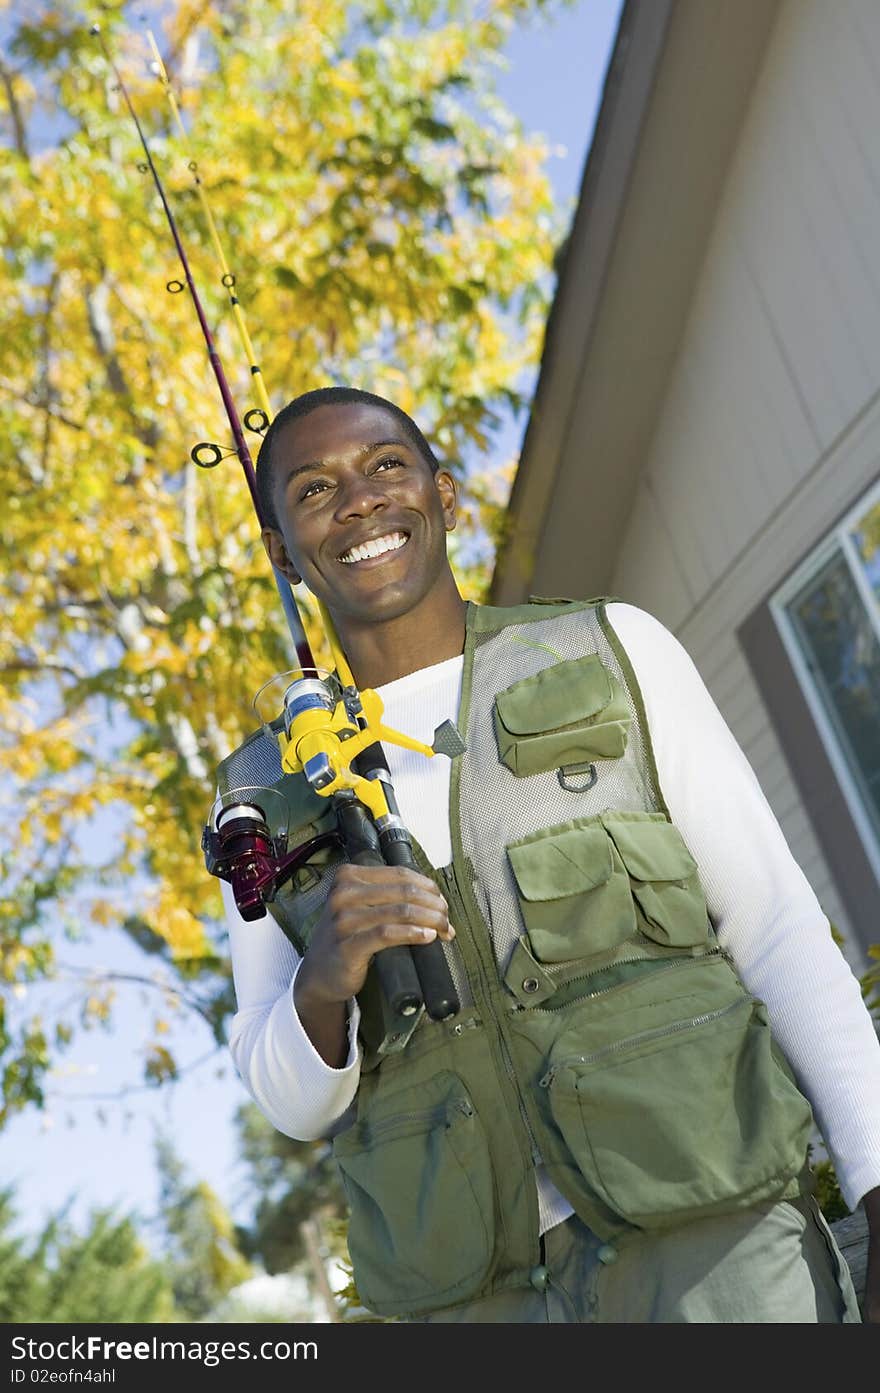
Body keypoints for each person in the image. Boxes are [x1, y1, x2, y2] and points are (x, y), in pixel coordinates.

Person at [214, 385, 880, 1323]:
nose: (360, 501)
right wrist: (322, 983)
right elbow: (289, 1100)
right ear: (283, 549)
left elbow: (773, 928)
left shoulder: (614, 649)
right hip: (477, 1302)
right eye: (316, 490)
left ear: (446, 498)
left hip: (716, 1249)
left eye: (386, 466)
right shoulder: (262, 793)